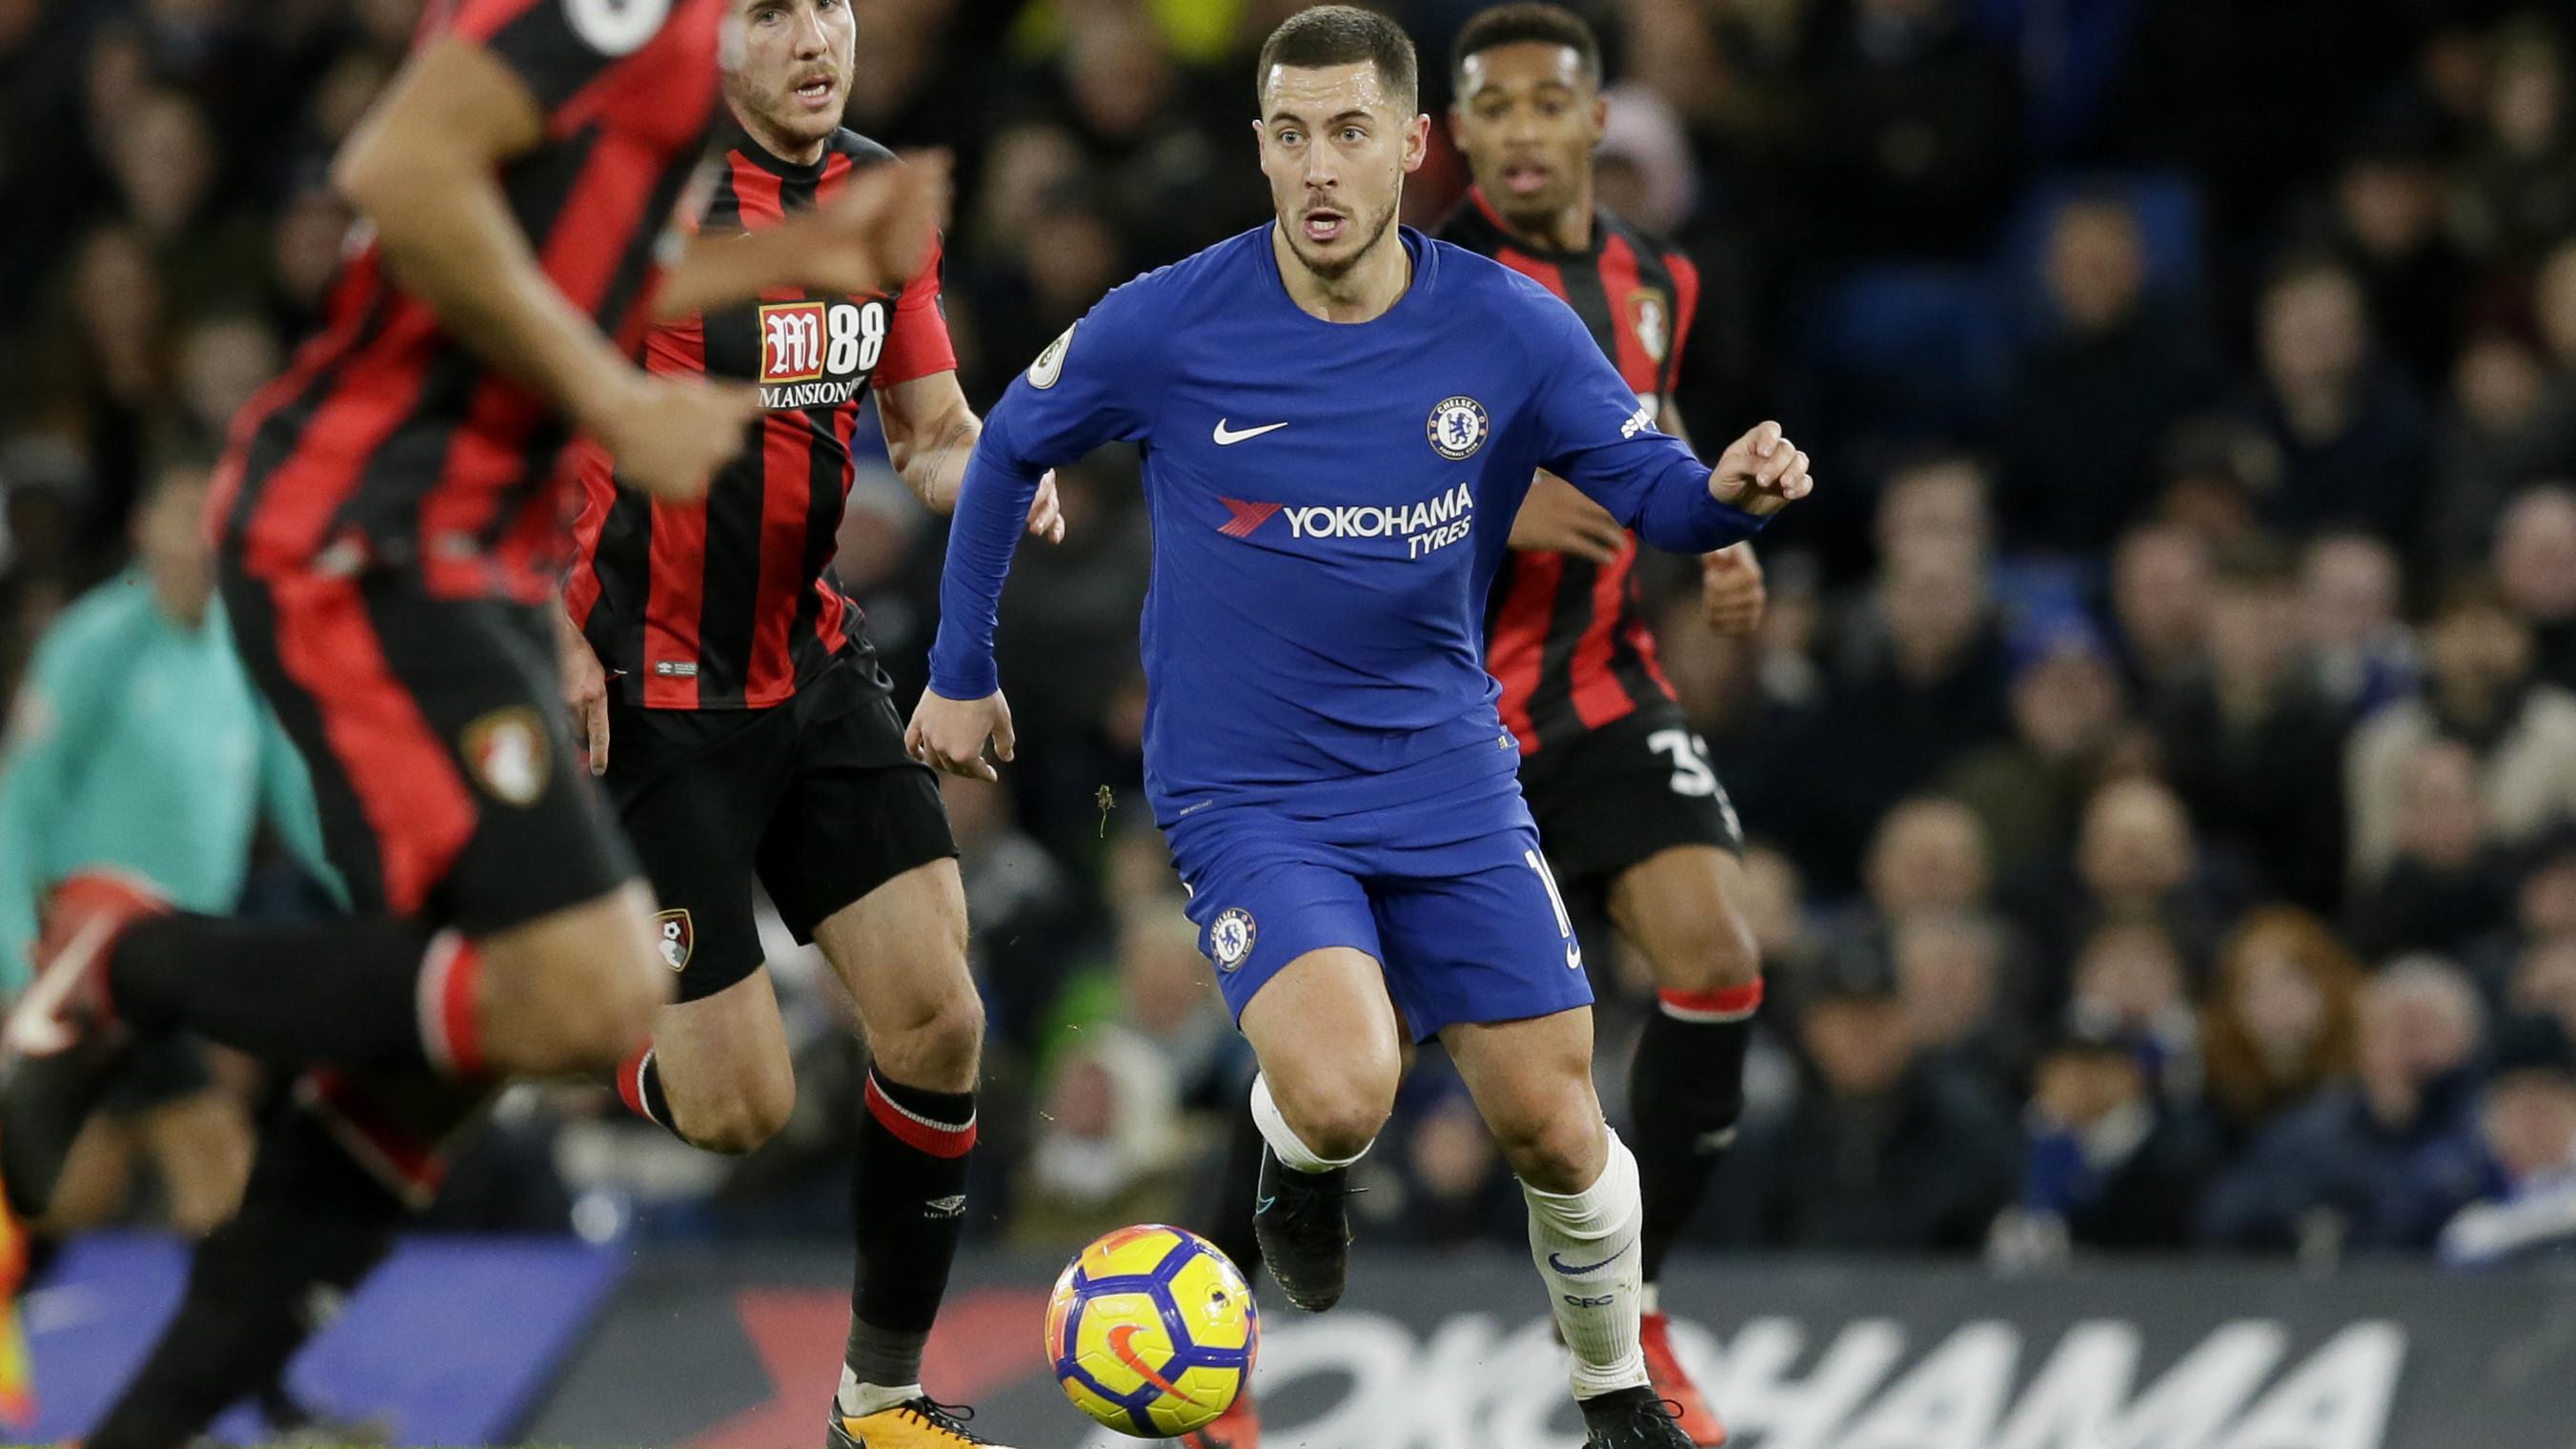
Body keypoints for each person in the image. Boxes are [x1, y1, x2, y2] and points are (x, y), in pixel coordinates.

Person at [1, 5, 943, 1445]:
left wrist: (784, 270)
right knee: (561, 1001)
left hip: (456, 550)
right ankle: (127, 956)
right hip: (373, 536)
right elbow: (398, 175)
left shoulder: (695, 105)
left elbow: (564, 257)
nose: (810, 31)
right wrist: (615, 398)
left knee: (453, 1061)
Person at [906, 10, 1813, 1447]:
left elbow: (1649, 489)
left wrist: (1728, 497)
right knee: (1342, 1092)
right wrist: (961, 669)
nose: (1318, 166)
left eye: (1347, 132)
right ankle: (1298, 1164)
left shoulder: (1510, 325)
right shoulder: (1171, 319)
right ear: (1260, 150)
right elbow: (1009, 439)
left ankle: (1613, 1395)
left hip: (1448, 770)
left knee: (1559, 1128)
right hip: (1250, 790)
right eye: (1290, 135)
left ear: (1410, 145)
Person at [1190, 7, 1769, 1439]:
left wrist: (1713, 531)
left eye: (1543, 105)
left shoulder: (1656, 280)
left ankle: (1637, 1306)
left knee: (1715, 954)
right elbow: (1323, 475)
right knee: (1344, 1063)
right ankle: (1210, 1336)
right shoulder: (1412, 277)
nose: (1518, 133)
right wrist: (1502, 507)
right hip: (1431, 726)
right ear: (1447, 135)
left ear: (1594, 122)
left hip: (1601, 686)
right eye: (1490, 110)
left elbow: (1645, 434)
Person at [556, 1, 1058, 1441]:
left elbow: (929, 433)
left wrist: (1003, 472)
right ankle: (546, 1005)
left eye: (828, 3)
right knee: (737, 1109)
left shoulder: (876, 191)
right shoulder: (628, 190)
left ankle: (878, 1399)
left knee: (940, 1018)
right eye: (769, 12)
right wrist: (539, 622)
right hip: (646, 698)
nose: (814, 37)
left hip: (809, 662)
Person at [0, 463, 314, 1240]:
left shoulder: (242, 649)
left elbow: (299, 803)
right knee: (215, 1170)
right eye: (183, 516)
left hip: (180, 959)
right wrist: (14, 965)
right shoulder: (94, 642)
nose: (200, 538)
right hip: (87, 964)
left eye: (217, 517)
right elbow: (18, 804)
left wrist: (385, 895)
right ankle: (241, 1320)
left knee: (78, 1184)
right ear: (144, 529)